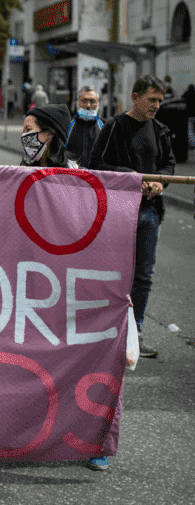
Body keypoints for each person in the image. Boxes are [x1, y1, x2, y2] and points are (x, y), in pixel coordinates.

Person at [89, 75, 175, 363]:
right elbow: (95, 165)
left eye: (160, 101)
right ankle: (103, 335)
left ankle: (134, 334)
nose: (156, 105)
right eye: (152, 99)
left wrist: (160, 183)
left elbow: (169, 165)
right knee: (111, 274)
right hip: (119, 212)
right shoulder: (115, 126)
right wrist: (132, 179)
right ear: (135, 96)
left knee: (143, 275)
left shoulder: (160, 130)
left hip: (150, 212)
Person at [21, 104, 77, 168]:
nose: (24, 136)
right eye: (23, 131)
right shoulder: (25, 172)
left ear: (49, 133)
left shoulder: (74, 175)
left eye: (28, 129)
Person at [65, 86, 104, 167]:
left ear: (98, 104)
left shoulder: (104, 127)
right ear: (77, 103)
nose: (88, 105)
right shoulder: (67, 126)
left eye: (92, 101)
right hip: (72, 176)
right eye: (84, 101)